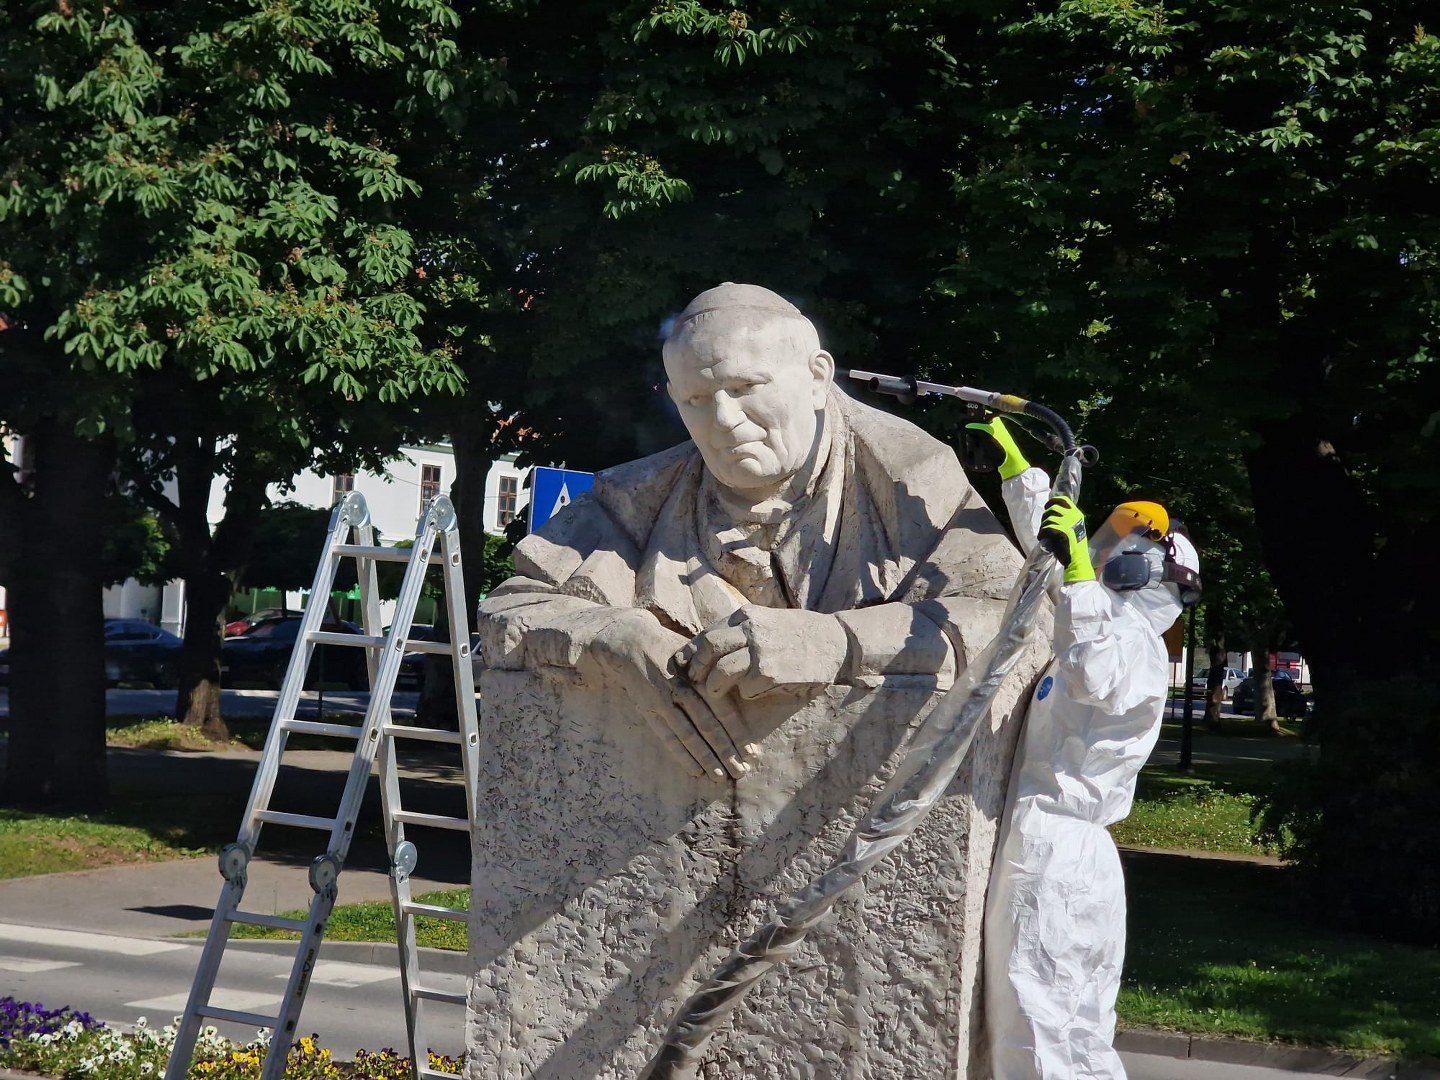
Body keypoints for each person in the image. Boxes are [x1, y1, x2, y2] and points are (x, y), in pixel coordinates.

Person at [476, 282, 1026, 780]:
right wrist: (611, 638)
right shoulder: (634, 498)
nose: (723, 420)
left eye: (746, 387)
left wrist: (833, 641)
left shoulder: (908, 477)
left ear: (817, 378)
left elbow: (1015, 618)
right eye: (696, 399)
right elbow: (511, 608)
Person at [969, 415, 1201, 1080]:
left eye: (1111, 548)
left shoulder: (1136, 646)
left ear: (1143, 570)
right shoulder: (1099, 613)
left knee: (1041, 1032)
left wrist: (1075, 569)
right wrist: (1018, 470)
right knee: (1061, 1030)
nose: (1096, 553)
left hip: (1059, 857)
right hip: (1057, 850)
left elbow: (1093, 671)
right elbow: (1054, 558)